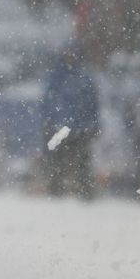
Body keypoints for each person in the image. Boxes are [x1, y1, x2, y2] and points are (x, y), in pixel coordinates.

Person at [40, 43, 100, 199]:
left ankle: (85, 193)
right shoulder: (56, 78)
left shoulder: (84, 78)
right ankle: (56, 192)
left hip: (79, 128)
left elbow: (93, 104)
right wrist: (48, 123)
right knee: (56, 162)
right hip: (58, 127)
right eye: (67, 54)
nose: (70, 58)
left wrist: (92, 124)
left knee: (82, 162)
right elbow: (47, 103)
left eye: (73, 54)